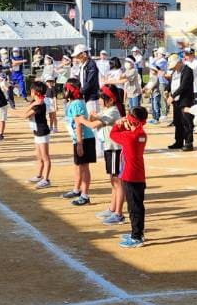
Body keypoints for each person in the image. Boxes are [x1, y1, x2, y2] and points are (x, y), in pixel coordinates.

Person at [79, 86, 127, 222]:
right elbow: (93, 121)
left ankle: (118, 214)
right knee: (113, 181)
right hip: (109, 149)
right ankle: (112, 209)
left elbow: (93, 124)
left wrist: (81, 120)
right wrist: (90, 116)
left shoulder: (113, 111)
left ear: (110, 100)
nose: (99, 100)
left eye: (102, 98)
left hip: (115, 149)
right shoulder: (107, 110)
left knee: (117, 182)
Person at [110, 106, 150, 248]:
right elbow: (133, 131)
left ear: (132, 121)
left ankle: (136, 237)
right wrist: (127, 124)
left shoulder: (129, 136)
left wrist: (118, 124)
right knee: (137, 206)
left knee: (134, 208)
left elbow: (113, 134)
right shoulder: (141, 134)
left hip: (130, 175)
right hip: (138, 174)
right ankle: (138, 233)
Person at [62, 83, 94, 206]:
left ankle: (85, 195)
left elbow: (79, 123)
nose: (64, 92)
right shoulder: (73, 103)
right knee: (78, 165)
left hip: (84, 139)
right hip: (78, 139)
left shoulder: (77, 103)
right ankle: (77, 190)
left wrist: (80, 143)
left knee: (84, 167)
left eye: (66, 90)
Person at [22, 82, 54, 189]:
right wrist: (33, 103)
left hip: (42, 132)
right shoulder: (35, 103)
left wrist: (33, 104)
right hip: (37, 131)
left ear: (35, 92)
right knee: (38, 156)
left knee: (45, 157)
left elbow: (25, 115)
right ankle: (39, 176)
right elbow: (26, 112)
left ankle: (46, 180)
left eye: (31, 91)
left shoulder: (39, 105)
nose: (30, 92)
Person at [166, 53, 196, 151]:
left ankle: (188, 142)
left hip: (185, 100)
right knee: (178, 121)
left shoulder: (187, 70)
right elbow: (171, 82)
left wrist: (173, 96)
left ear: (179, 62)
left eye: (175, 66)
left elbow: (184, 86)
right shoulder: (175, 72)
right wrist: (167, 89)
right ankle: (178, 141)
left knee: (186, 121)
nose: (173, 68)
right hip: (176, 100)